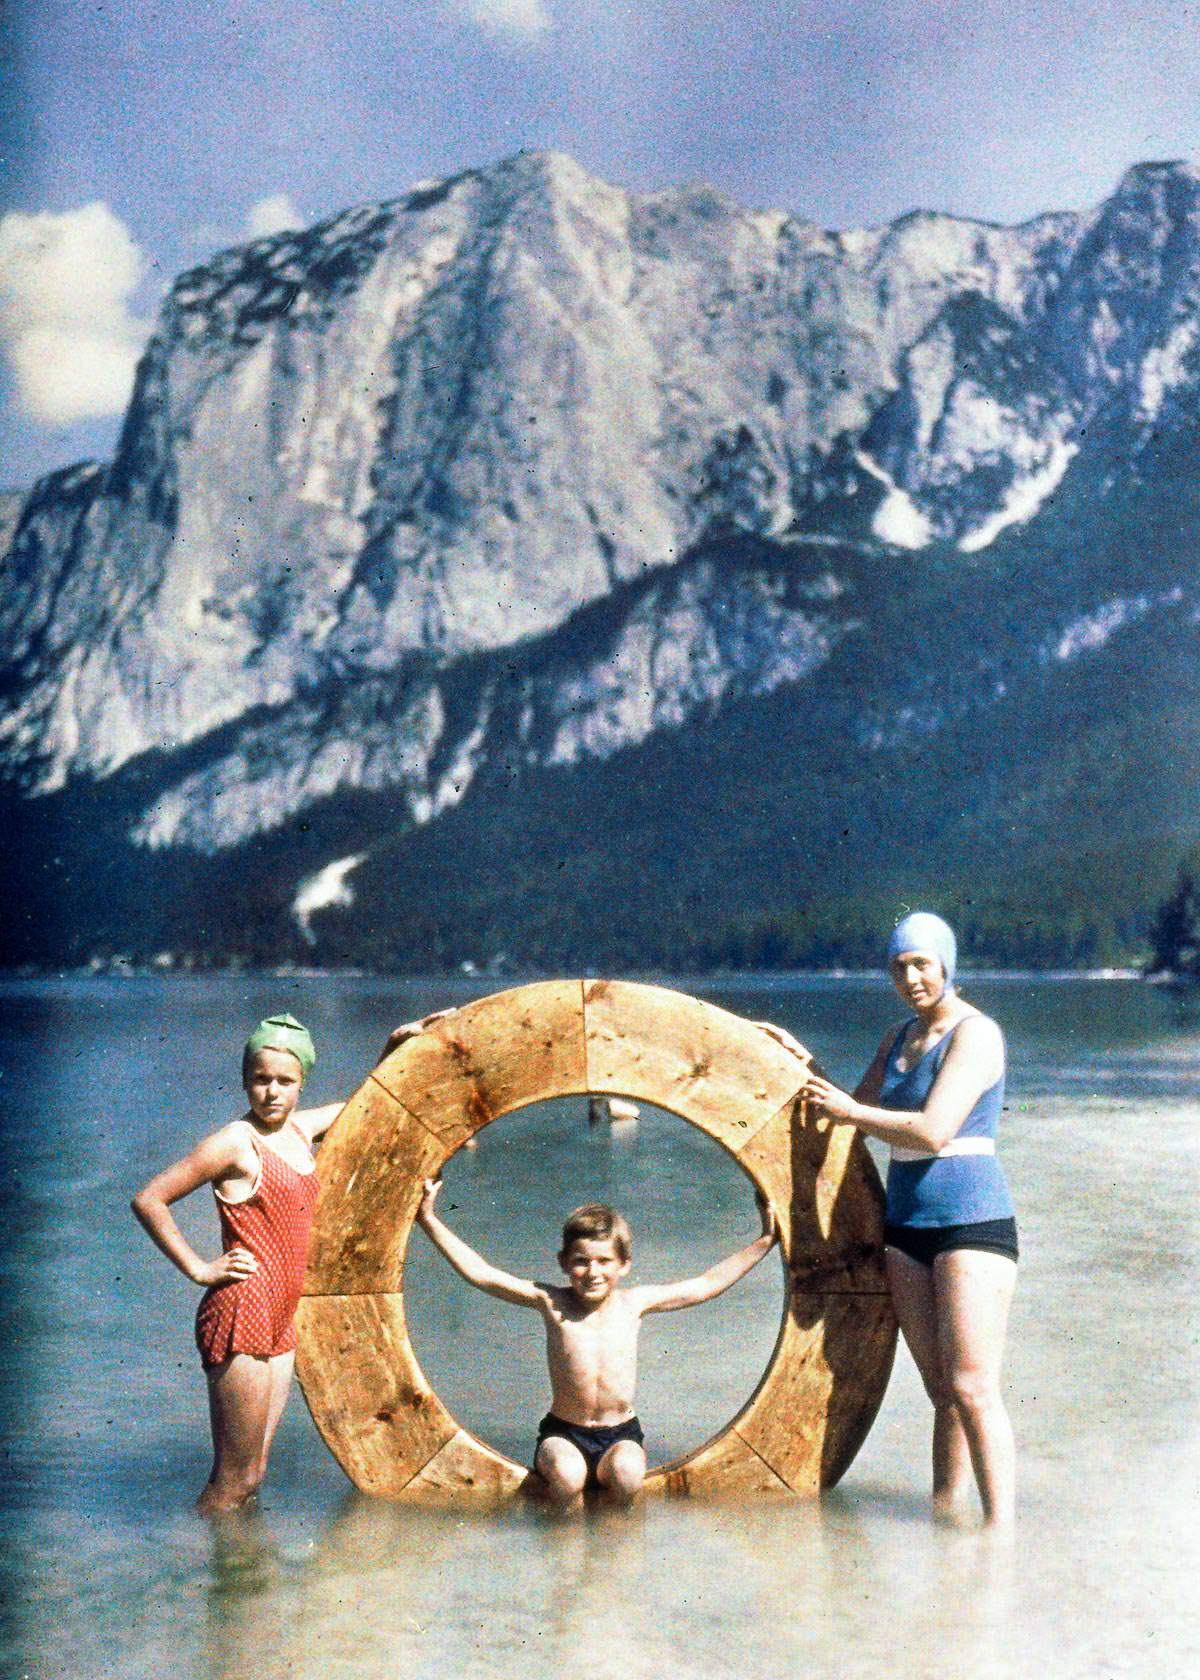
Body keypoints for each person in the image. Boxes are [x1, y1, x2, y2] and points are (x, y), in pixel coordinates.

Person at [132, 1009, 447, 1513]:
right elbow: (149, 1199)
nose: (272, 1092)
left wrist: (394, 1050)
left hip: (282, 1314)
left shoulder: (301, 1131)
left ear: (301, 1083)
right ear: (244, 1081)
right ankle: (188, 1568)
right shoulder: (234, 1142)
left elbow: (370, 1106)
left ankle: (239, 1582)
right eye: (260, 1079)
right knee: (233, 1482)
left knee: (254, 1474)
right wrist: (199, 1268)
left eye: (285, 1080)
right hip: (242, 1310)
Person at [763, 911, 1018, 1527]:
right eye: (899, 966)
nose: (910, 978)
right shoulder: (896, 1037)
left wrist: (849, 1109)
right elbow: (844, 1113)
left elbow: (932, 1130)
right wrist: (800, 1062)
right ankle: (943, 1519)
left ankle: (1001, 1536)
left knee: (972, 1388)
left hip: (971, 1223)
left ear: (946, 965)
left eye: (922, 964)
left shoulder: (976, 1034)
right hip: (904, 1227)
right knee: (941, 1394)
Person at [416, 1182, 778, 1505]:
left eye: (605, 1261)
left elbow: (705, 1285)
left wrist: (764, 1241)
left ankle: (611, 1562)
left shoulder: (634, 1303)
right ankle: (568, 1558)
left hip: (620, 1433)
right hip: (564, 1432)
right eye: (581, 1262)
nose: (593, 1272)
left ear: (624, 1265)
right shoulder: (550, 1301)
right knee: (567, 1476)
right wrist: (429, 1219)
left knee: (627, 1476)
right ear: (563, 1262)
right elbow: (481, 1273)